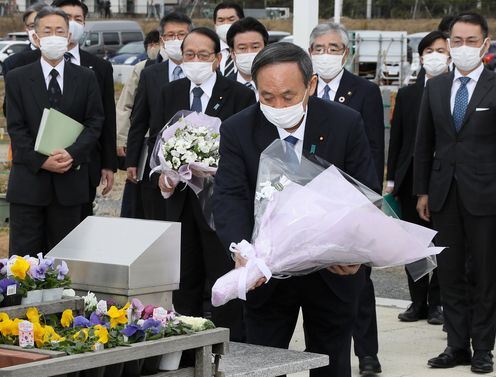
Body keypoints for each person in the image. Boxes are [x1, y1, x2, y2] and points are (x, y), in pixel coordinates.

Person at [213, 42, 379, 377]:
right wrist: (241, 248)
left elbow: (364, 192)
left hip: (332, 270)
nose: (277, 105)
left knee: (331, 362)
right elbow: (230, 196)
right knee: (263, 363)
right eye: (267, 97)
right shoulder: (237, 129)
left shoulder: (344, 123)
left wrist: (354, 250)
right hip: (268, 273)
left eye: (288, 97)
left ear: (311, 85)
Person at [155, 27, 256, 341]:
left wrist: (214, 167)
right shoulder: (169, 92)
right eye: (189, 55)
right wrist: (165, 172)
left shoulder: (239, 94)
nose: (195, 60)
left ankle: (230, 344)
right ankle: (186, 344)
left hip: (220, 204)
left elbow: (246, 147)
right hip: (181, 201)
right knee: (184, 280)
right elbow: (158, 138)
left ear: (217, 59)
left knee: (223, 277)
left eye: (203, 55)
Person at [414, 13, 496, 374]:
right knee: (448, 273)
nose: (463, 48)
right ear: (448, 43)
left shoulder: (494, 85)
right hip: (443, 193)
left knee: (485, 274)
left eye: (471, 41)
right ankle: (456, 345)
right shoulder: (435, 86)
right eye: (457, 41)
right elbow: (424, 143)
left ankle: (483, 349)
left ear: (486, 44)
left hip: (487, 195)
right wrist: (421, 192)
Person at [308, 22, 384, 376]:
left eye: (333, 48)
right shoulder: (302, 90)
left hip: (350, 196)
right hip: (308, 200)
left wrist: (370, 201)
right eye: (319, 48)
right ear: (310, 53)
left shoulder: (364, 91)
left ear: (346, 53)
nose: (326, 55)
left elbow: (372, 149)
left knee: (356, 277)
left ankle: (367, 352)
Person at [5, 6, 103, 255]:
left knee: (65, 258)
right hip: (29, 183)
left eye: (60, 31)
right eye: (47, 31)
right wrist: (41, 160)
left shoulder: (85, 77)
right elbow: (16, 128)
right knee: (24, 261)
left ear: (69, 37)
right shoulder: (17, 78)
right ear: (36, 38)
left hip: (70, 183)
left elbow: (95, 122)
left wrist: (73, 154)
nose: (54, 36)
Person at [387, 31, 448, 326]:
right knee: (414, 245)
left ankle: (437, 303)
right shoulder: (408, 94)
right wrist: (390, 179)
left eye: (441, 49)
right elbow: (396, 139)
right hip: (411, 178)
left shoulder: (453, 90)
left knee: (442, 242)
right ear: (420, 56)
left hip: (445, 178)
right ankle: (417, 301)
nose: (435, 55)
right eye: (429, 50)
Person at [51, 0, 117, 219]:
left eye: (78, 19)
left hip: (85, 161)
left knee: (79, 226)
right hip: (44, 161)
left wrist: (109, 164)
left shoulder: (99, 66)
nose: (72, 24)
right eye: (66, 18)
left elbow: (107, 116)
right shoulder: (31, 65)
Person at [126, 12, 192, 221]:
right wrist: (132, 161)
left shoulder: (200, 72)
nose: (176, 40)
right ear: (162, 39)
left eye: (181, 34)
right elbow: (139, 119)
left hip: (195, 160)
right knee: (158, 217)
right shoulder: (150, 74)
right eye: (170, 35)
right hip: (158, 158)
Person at [117, 30, 160, 219]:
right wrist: (122, 138)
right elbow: (126, 105)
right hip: (144, 140)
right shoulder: (143, 68)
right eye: (151, 45)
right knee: (138, 196)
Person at [3, 1, 46, 116]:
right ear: (26, 29)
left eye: (42, 25)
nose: (37, 30)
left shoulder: (67, 58)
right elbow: (10, 109)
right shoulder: (13, 63)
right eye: (32, 26)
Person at [225, 16, 268, 100]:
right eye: (242, 48)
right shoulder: (221, 87)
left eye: (255, 47)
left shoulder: (278, 84)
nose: (249, 53)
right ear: (232, 53)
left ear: (265, 48)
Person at [213, 1, 244, 76]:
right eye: (221, 20)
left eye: (231, 20)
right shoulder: (209, 50)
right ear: (215, 24)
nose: (225, 24)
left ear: (242, 21)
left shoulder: (251, 50)